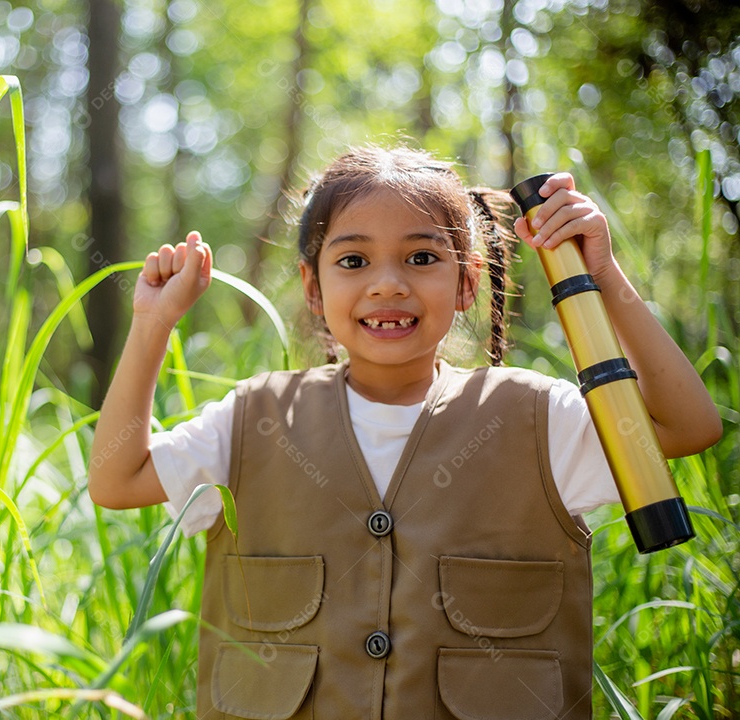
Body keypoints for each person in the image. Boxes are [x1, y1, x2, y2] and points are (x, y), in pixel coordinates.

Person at [87, 145, 722, 719]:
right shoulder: (254, 421)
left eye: (422, 257)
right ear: (314, 287)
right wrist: (152, 324)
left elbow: (686, 425)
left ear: (468, 281)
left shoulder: (536, 419)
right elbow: (119, 479)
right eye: (354, 260)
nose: (387, 283)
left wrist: (603, 276)